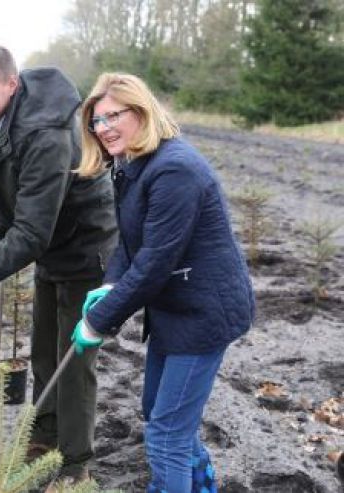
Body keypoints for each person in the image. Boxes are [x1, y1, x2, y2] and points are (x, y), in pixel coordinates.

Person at [0, 44, 118, 487]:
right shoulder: (5, 116)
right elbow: (9, 192)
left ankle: (73, 463)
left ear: (12, 84)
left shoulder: (44, 133)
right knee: (43, 352)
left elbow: (31, 233)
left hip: (84, 249)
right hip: (53, 246)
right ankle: (45, 437)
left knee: (74, 357)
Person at [71, 72, 254, 492]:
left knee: (167, 433)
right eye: (96, 122)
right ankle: (200, 482)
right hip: (175, 308)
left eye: (112, 116)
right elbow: (132, 243)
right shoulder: (132, 165)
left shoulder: (175, 170)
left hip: (203, 313)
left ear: (141, 111)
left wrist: (99, 322)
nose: (103, 129)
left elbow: (155, 262)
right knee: (157, 410)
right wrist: (111, 285)